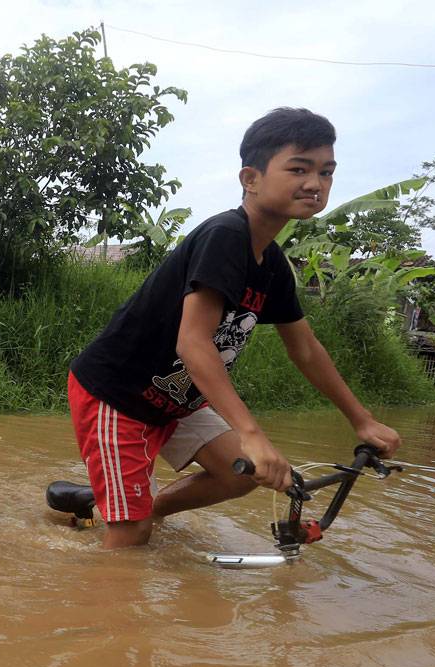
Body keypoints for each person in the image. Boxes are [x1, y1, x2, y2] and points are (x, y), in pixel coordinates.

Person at [66, 107, 401, 549]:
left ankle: (136, 508)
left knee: (238, 474)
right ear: (251, 178)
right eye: (298, 169)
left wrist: (362, 419)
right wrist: (252, 433)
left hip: (173, 400)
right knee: (130, 544)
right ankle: (123, 533)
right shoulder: (225, 235)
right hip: (118, 396)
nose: (315, 183)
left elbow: (305, 349)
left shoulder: (273, 265)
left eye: (326, 172)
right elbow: (193, 341)